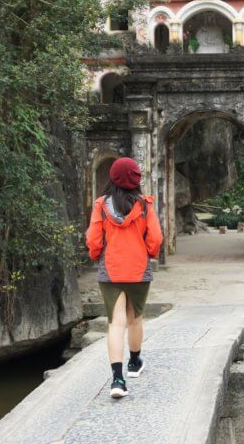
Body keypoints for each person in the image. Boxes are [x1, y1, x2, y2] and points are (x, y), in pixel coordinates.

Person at [86, 157, 163, 399]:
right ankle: (134, 363)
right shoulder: (145, 206)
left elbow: (93, 239)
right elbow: (156, 238)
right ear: (136, 180)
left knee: (115, 324)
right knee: (135, 320)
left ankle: (117, 380)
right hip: (138, 270)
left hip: (111, 270)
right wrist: (149, 253)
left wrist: (96, 255)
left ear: (112, 178)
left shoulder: (100, 206)